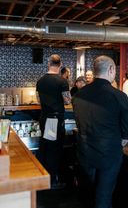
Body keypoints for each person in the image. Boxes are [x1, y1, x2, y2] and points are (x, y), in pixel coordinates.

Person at [72, 55, 128, 208]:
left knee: (88, 195)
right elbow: (127, 132)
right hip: (108, 154)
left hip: (84, 152)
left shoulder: (78, 95)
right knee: (103, 198)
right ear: (111, 70)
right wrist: (113, 143)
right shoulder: (119, 96)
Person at [36, 54, 71, 189]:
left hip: (44, 117)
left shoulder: (40, 80)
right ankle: (52, 180)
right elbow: (67, 100)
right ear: (60, 64)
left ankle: (43, 175)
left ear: (48, 63)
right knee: (54, 149)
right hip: (55, 119)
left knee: (44, 146)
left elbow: (39, 100)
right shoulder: (62, 81)